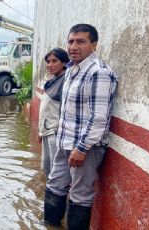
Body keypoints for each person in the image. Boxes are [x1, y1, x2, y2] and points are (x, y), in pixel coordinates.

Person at [43, 24, 118, 229]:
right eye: (70, 41)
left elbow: (99, 118)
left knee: (80, 195)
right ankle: (49, 225)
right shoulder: (71, 70)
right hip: (64, 140)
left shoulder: (99, 73)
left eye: (81, 41)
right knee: (54, 184)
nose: (73, 46)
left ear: (94, 45)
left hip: (86, 147)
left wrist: (81, 148)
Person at [38, 48, 69, 178]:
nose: (50, 65)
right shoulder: (53, 80)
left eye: (54, 61)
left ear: (64, 63)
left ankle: (57, 196)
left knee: (55, 171)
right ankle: (49, 195)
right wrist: (41, 132)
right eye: (48, 61)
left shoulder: (66, 81)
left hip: (55, 133)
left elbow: (65, 110)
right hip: (47, 131)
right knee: (47, 167)